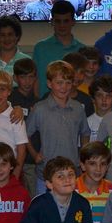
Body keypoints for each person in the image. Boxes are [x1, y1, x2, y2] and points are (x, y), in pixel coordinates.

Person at [26, 61, 90, 195]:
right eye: (59, 83)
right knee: (45, 207)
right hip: (45, 173)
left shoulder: (78, 108)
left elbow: (85, 133)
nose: (64, 87)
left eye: (68, 82)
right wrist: (34, 154)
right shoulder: (40, 108)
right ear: (49, 84)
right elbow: (25, 134)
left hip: (72, 173)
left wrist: (82, 157)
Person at [15, 157, 94, 223]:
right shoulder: (39, 204)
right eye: (60, 176)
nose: (67, 179)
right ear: (49, 184)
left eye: (70, 175)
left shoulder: (82, 203)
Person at [0, 70, 29, 180]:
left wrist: (16, 174)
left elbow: (22, 148)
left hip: (9, 171)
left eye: (2, 89)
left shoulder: (15, 116)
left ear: (9, 91)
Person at [33, 1, 85, 96]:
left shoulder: (82, 50)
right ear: (52, 22)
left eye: (66, 21)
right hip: (45, 102)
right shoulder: (40, 48)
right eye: (58, 21)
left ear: (73, 21)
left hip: (74, 103)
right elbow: (35, 80)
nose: (62, 25)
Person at [9, 58, 40, 196]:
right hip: (12, 160)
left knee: (32, 198)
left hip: (32, 161)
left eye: (31, 77)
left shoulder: (39, 102)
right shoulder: (8, 100)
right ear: (15, 78)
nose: (27, 81)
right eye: (23, 77)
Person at [75, 142, 112, 223]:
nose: (98, 169)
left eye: (103, 164)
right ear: (83, 166)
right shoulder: (71, 189)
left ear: (107, 167)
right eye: (92, 164)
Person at [88, 75, 112, 141]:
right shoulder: (88, 123)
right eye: (99, 95)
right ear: (93, 99)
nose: (104, 100)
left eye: (108, 96)